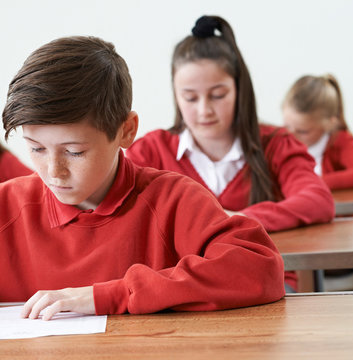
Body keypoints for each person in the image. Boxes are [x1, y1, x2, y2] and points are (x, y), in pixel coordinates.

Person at [0, 36, 284, 332]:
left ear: (126, 131)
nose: (53, 172)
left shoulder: (171, 199)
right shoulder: (6, 207)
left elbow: (259, 267)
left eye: (74, 152)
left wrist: (105, 296)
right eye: (36, 149)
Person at [125, 16, 335, 292]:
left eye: (218, 95)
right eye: (190, 98)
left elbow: (317, 200)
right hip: (184, 293)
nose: (204, 110)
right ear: (175, 95)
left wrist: (237, 218)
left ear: (239, 89)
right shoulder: (150, 151)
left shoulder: (275, 143)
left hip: (265, 286)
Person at [282, 74, 353, 190]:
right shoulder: (280, 142)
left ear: (329, 124)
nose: (291, 135)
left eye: (303, 131)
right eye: (287, 127)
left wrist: (313, 182)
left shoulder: (339, 141)